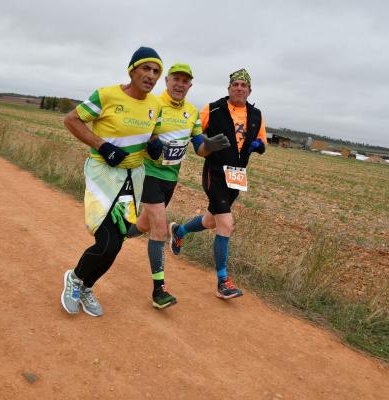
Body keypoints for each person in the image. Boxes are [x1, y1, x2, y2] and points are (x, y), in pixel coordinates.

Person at [60, 47, 165, 317]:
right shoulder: (106, 95)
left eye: (156, 71)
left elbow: (151, 135)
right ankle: (75, 278)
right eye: (146, 68)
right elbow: (71, 120)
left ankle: (86, 286)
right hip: (103, 174)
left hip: (133, 178)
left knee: (116, 243)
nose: (151, 76)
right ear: (132, 70)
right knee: (105, 240)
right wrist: (102, 145)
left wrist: (154, 147)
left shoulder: (155, 105)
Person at [126, 63, 230, 309]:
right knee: (160, 230)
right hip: (148, 174)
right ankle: (158, 290)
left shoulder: (192, 113)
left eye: (185, 81)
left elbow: (200, 149)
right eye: (176, 79)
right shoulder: (151, 104)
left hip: (170, 179)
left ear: (190, 86)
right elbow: (136, 135)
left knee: (143, 225)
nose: (180, 85)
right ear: (167, 81)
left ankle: (118, 233)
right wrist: (149, 145)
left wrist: (210, 146)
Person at [168, 68, 267, 300]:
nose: (239, 88)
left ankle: (179, 231)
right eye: (236, 85)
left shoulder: (257, 114)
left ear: (250, 90)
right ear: (229, 88)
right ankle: (223, 281)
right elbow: (195, 132)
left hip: (237, 176)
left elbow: (262, 140)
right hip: (215, 173)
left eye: (244, 85)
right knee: (226, 223)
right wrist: (205, 143)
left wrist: (259, 146)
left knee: (212, 220)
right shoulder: (212, 109)